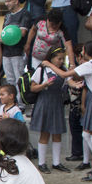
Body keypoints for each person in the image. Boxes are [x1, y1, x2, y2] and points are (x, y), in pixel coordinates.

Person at [42, 41, 92, 182]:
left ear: (87, 52)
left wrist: (49, 64)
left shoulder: (89, 64)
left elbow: (64, 74)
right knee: (87, 134)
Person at [30, 46, 70, 174]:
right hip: (45, 101)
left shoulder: (63, 70)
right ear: (51, 58)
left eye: (63, 59)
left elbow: (70, 81)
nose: (61, 61)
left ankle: (56, 162)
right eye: (59, 59)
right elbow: (33, 88)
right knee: (45, 133)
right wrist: (44, 85)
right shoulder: (42, 70)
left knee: (57, 133)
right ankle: (42, 163)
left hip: (57, 102)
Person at [1, 0, 31, 106]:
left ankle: (21, 103)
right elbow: (4, 33)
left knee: (19, 78)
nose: (7, 4)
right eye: (6, 1)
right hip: (6, 52)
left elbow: (22, 32)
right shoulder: (7, 16)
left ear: (16, 1)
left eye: (9, 1)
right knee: (10, 80)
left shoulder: (24, 14)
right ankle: (12, 102)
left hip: (18, 52)